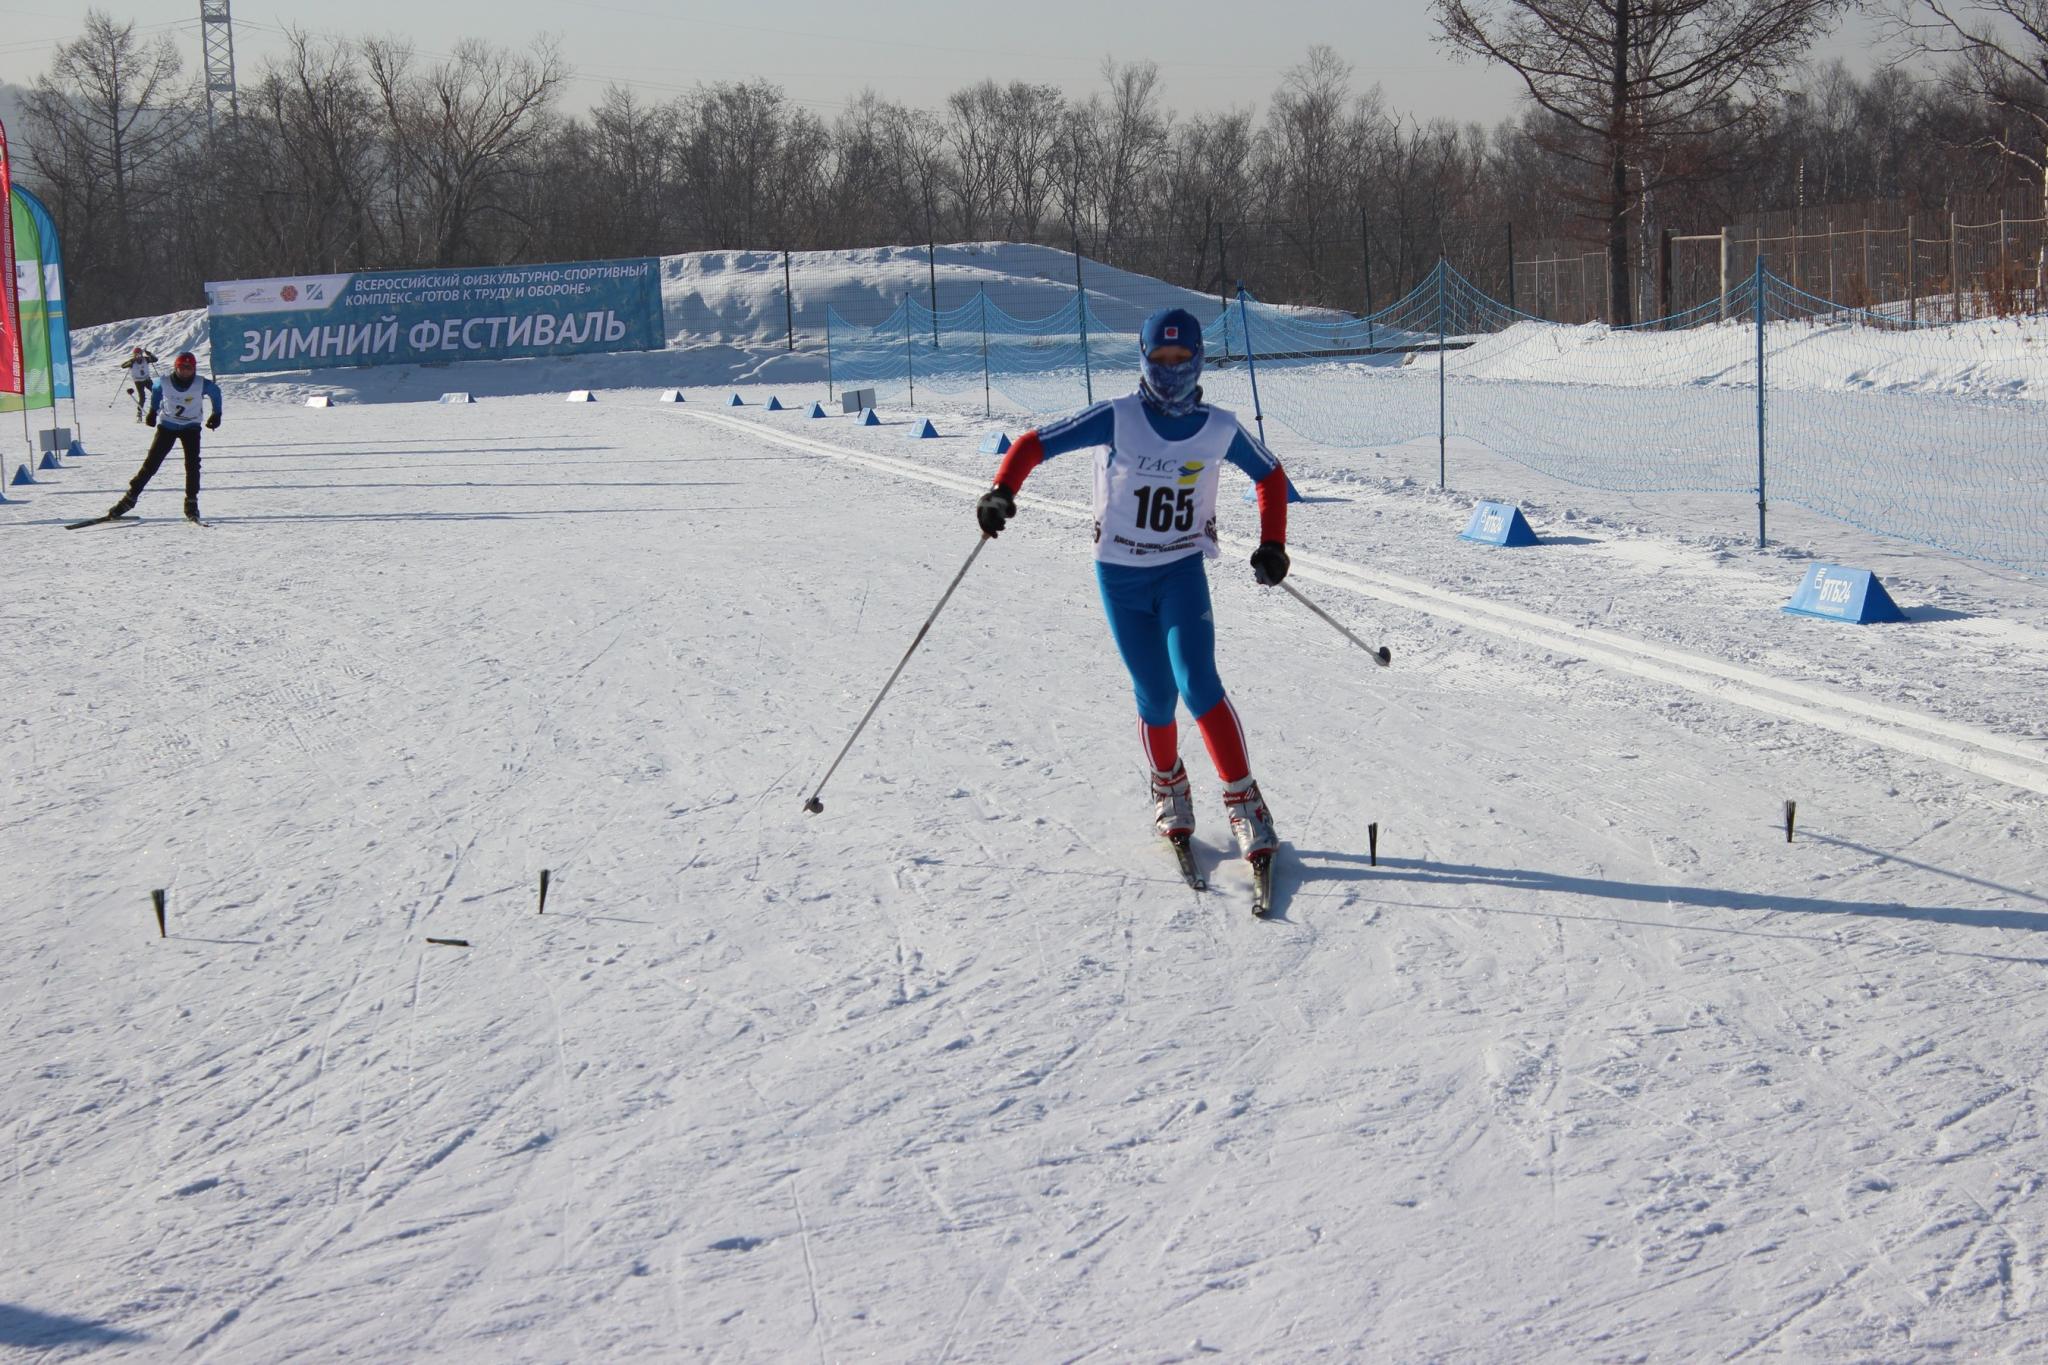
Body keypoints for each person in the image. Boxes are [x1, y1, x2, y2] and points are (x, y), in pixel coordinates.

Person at [975, 306, 1291, 866]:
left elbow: (1268, 474)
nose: (1171, 371)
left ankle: (1245, 800)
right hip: (1120, 577)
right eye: (1160, 359)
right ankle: (1168, 784)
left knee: (1197, 683)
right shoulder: (1117, 417)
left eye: (1182, 359)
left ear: (1198, 360)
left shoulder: (1218, 426)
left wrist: (1272, 544)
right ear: (1144, 359)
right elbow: (1032, 444)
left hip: (1180, 571)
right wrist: (1003, 490)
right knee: (1156, 695)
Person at [107, 352, 222, 522]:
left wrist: (217, 414)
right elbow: (156, 390)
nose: (185, 371)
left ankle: (191, 502)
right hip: (167, 426)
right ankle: (129, 499)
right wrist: (153, 411)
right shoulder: (165, 382)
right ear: (176, 367)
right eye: (182, 367)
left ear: (194, 369)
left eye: (189, 368)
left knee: (192, 466)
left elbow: (216, 392)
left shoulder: (201, 384)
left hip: (191, 427)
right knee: (151, 464)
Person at [123, 347, 158, 422]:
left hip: (147, 379)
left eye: (140, 354)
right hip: (138, 381)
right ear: (134, 355)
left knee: (156, 392)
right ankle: (139, 413)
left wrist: (149, 353)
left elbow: (155, 359)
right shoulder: (132, 361)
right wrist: (130, 363)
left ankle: (158, 409)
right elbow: (123, 366)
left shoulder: (146, 359)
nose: (138, 356)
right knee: (142, 397)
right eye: (136, 355)